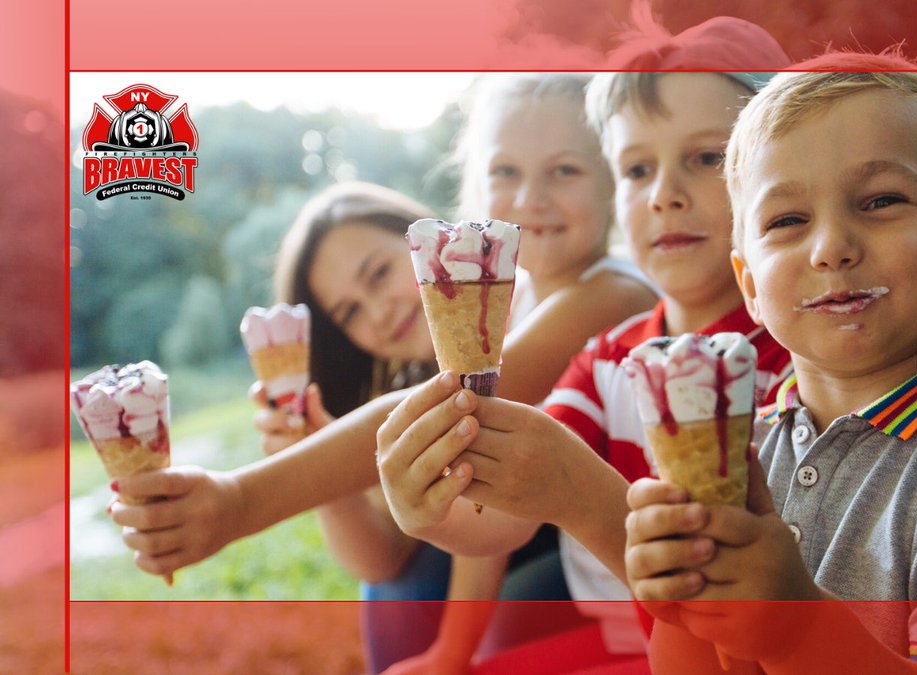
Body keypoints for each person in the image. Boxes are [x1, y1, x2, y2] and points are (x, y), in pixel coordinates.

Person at [110, 73, 660, 673]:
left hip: (618, 583)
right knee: (398, 586)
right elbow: (384, 560)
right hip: (543, 558)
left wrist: (241, 499)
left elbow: (464, 422)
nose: (530, 198)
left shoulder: (610, 292)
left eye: (564, 171)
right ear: (478, 187)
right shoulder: (510, 309)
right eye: (505, 174)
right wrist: (317, 452)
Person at [621, 62, 917, 673]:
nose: (831, 248)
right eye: (787, 221)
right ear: (749, 284)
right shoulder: (753, 451)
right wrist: (682, 595)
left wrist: (796, 632)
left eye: (881, 201)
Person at [374, 70, 794, 669]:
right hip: (616, 645)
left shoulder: (796, 366)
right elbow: (500, 523)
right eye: (638, 170)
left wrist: (578, 492)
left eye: (705, 158)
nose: (664, 194)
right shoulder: (605, 360)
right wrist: (431, 509)